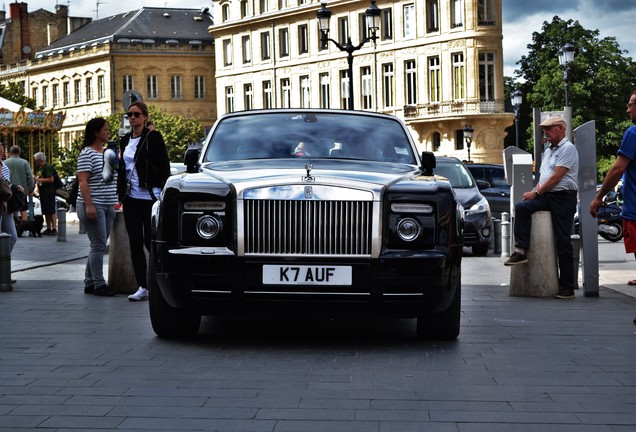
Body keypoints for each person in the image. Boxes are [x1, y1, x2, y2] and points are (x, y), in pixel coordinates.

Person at [504, 115, 579, 300]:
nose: (546, 132)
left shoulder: (568, 149)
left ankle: (567, 287)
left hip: (563, 197)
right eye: (545, 129)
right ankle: (521, 251)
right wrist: (535, 191)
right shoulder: (549, 150)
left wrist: (535, 193)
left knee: (563, 241)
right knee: (522, 208)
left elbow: (556, 177)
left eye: (550, 129)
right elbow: (545, 177)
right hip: (548, 195)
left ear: (561, 129)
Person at [590, 90, 636, 324]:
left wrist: (599, 197)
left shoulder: (633, 133)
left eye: (631, 105)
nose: (628, 110)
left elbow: (617, 169)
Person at [117, 101, 170, 301]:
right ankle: (142, 286)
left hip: (149, 196)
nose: (132, 118)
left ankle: (159, 282)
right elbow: (123, 168)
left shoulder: (153, 137)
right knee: (135, 243)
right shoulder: (125, 140)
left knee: (151, 241)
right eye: (129, 114)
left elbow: (164, 165)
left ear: (145, 117)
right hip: (131, 198)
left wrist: (163, 190)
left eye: (136, 114)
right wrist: (119, 191)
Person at [77, 118, 118, 297]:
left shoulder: (107, 152)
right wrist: (89, 205)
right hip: (94, 205)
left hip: (109, 204)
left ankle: (89, 282)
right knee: (99, 245)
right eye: (105, 130)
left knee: (98, 244)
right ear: (96, 132)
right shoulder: (87, 153)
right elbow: (83, 181)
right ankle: (99, 284)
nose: (108, 132)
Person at [4, 145, 34, 221]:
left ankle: (12, 227)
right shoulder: (24, 162)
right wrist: (31, 188)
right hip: (22, 190)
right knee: (23, 209)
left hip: (9, 190)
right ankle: (24, 228)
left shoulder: (5, 162)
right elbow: (30, 176)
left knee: (10, 209)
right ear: (19, 152)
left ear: (10, 152)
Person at [33, 152, 57, 235]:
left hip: (49, 192)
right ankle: (48, 228)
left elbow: (51, 179)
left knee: (51, 210)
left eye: (36, 160)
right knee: (46, 211)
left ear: (39, 160)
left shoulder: (47, 167)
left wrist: (39, 180)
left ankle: (54, 228)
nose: (35, 162)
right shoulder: (41, 168)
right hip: (44, 192)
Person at [0, 143, 18, 252]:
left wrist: (14, 187)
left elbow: (5, 185)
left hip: (5, 203)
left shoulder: (5, 166)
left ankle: (4, 263)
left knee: (12, 237)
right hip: (2, 202)